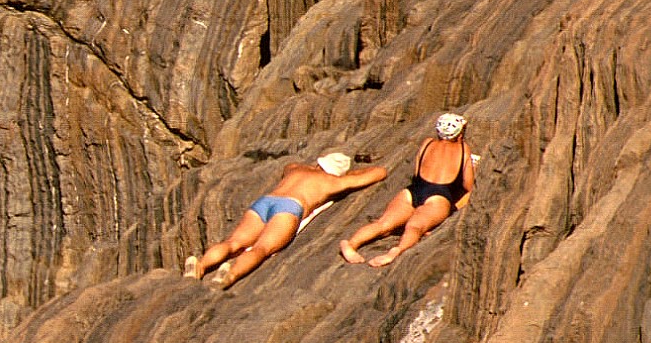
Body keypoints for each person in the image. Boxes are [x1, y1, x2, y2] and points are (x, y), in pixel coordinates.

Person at [189, 149, 387, 289]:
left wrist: (312, 166)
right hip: (290, 207)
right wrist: (350, 174)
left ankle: (201, 266)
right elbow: (380, 173)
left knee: (234, 242)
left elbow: (288, 164)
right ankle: (230, 275)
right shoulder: (333, 182)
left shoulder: (295, 169)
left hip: (265, 202)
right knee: (262, 248)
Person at [339, 112, 474, 266]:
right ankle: (395, 252)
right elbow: (467, 186)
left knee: (383, 224)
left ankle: (351, 244)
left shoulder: (427, 143)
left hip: (413, 191)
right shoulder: (463, 149)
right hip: (438, 195)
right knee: (415, 227)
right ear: (459, 133)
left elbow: (417, 173)